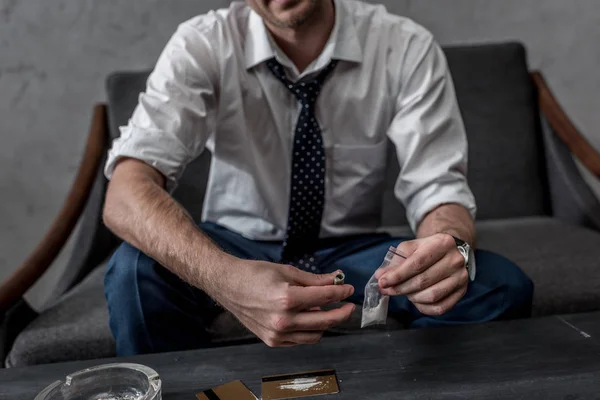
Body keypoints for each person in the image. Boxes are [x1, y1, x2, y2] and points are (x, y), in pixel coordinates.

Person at [103, 0, 534, 356]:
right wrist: (227, 280)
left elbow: (440, 189)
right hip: (236, 246)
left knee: (497, 285)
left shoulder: (405, 46)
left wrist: (449, 248)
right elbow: (125, 193)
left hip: (351, 253)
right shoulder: (202, 43)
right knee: (134, 271)